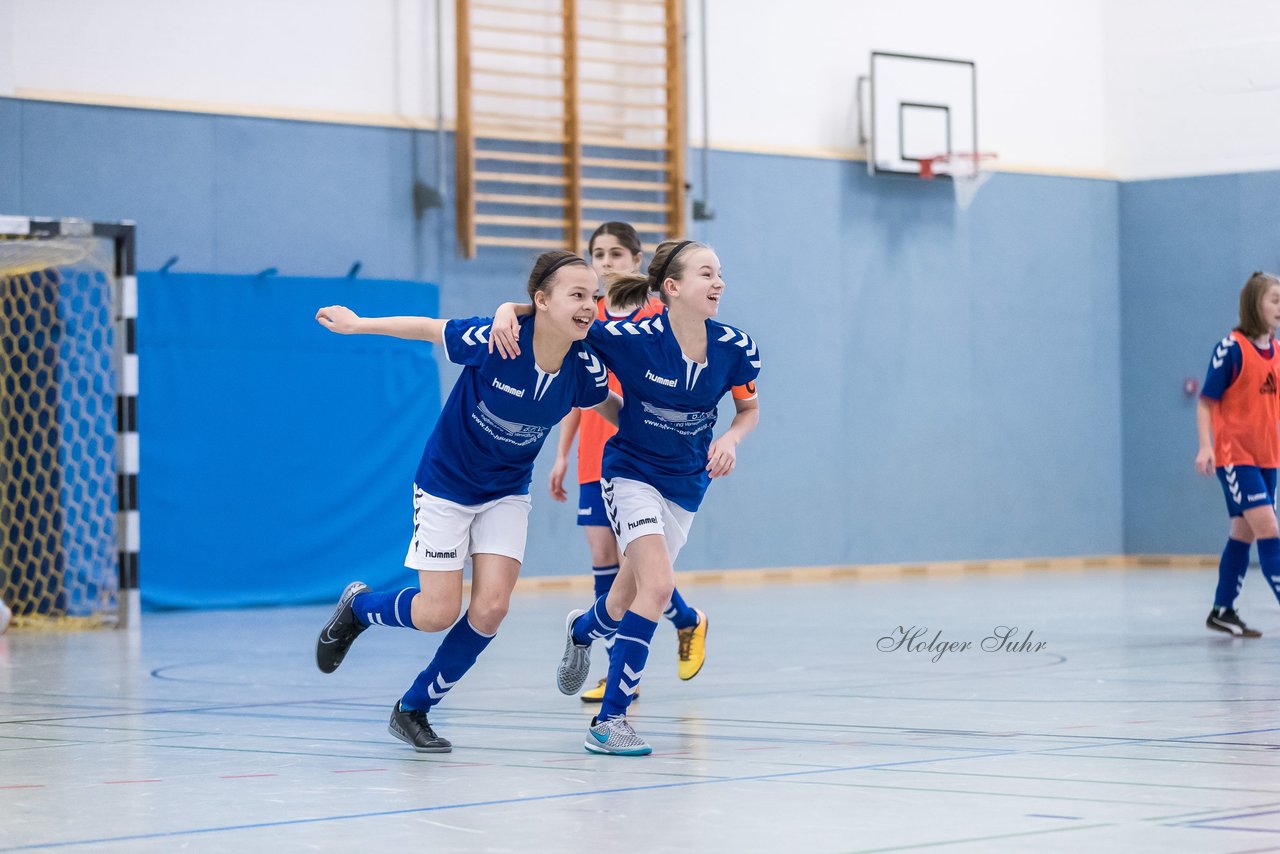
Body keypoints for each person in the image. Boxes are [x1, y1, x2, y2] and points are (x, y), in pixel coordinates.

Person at [313, 250, 612, 753]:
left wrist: (665, 442)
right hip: (446, 485)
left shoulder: (584, 367)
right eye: (576, 294)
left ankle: (413, 708)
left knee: (492, 609)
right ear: (541, 300)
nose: (588, 305)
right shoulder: (498, 340)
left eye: (593, 296)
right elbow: (428, 329)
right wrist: (358, 324)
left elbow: (612, 406)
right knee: (436, 613)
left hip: (506, 491)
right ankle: (359, 607)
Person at [492, 239, 760, 755]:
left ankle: (582, 628)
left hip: (686, 486)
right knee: (657, 589)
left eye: (720, 273)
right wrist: (510, 308)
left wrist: (729, 439)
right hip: (631, 473)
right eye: (707, 274)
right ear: (673, 288)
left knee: (620, 601)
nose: (719, 283)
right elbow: (558, 318)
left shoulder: (735, 346)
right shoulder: (629, 338)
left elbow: (749, 411)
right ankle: (610, 720)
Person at [548, 222, 710, 704]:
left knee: (635, 565)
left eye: (616, 254)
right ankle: (682, 621)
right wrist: (561, 455)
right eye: (598, 254)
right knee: (604, 557)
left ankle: (627, 669)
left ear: (637, 261)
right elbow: (581, 391)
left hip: (643, 456)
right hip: (594, 454)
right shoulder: (586, 315)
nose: (606, 262)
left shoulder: (661, 313)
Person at [1196, 271, 1280, 638]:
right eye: (1275, 299)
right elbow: (1205, 401)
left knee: (1242, 533)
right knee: (1269, 529)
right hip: (1235, 457)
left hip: (1269, 459)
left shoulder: (1277, 352)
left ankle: (1223, 609)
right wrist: (1206, 447)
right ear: (1254, 304)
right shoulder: (1231, 348)